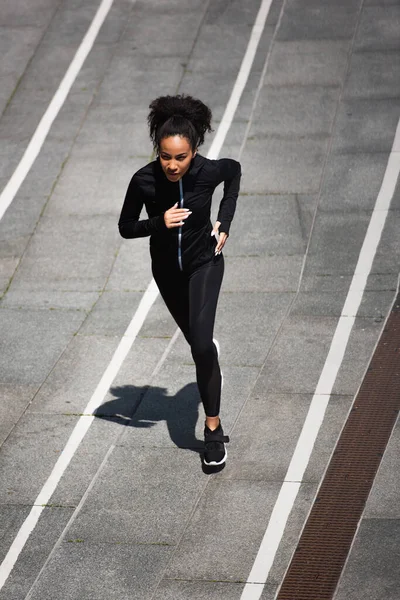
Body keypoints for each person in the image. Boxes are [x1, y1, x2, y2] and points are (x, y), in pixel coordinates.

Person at [118, 94, 241, 466]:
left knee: (201, 347)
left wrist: (225, 222)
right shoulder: (144, 181)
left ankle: (213, 431)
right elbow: (125, 227)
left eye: (181, 157)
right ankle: (206, 350)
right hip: (168, 274)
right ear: (158, 150)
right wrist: (159, 223)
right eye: (165, 156)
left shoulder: (208, 171)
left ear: (195, 149)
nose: (172, 165)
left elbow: (233, 174)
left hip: (205, 263)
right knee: (201, 346)